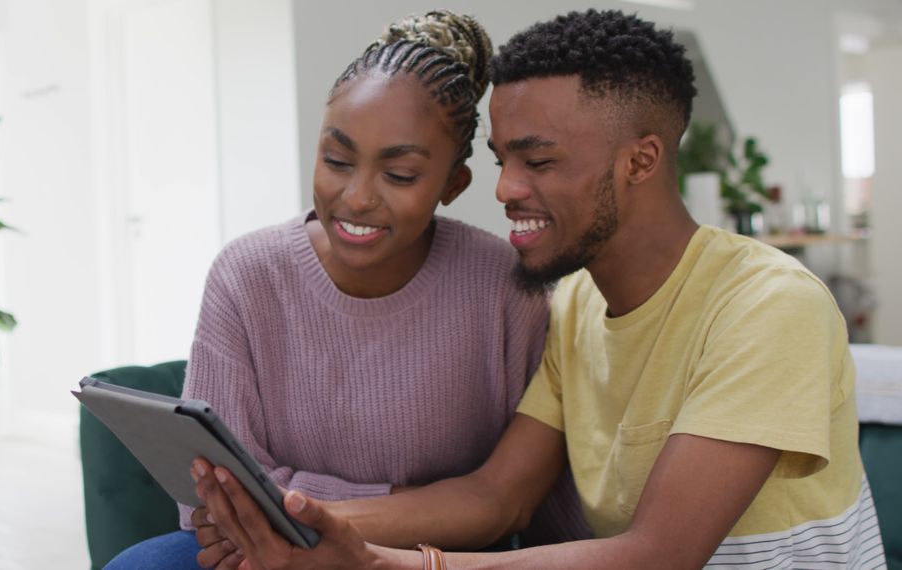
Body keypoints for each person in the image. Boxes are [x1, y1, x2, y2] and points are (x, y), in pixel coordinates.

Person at [193, 9, 887, 569]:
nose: (504, 190)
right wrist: (300, 522)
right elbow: (497, 493)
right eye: (502, 160)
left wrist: (387, 564)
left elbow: (659, 555)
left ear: (641, 160)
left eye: (540, 161)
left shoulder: (768, 305)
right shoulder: (577, 307)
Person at [105, 10, 589, 570]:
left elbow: (512, 500)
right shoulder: (246, 274)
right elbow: (215, 502)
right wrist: (417, 503)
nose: (357, 197)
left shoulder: (507, 285)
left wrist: (306, 511)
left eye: (400, 175)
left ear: (453, 185)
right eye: (336, 160)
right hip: (269, 548)